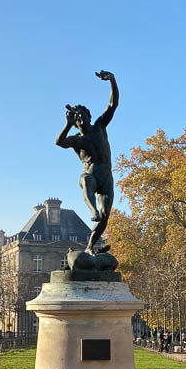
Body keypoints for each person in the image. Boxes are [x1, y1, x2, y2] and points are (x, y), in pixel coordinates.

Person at [56, 70, 118, 256]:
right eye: (77, 119)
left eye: (83, 116)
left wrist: (112, 80)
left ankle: (90, 247)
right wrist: (67, 124)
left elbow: (113, 104)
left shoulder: (100, 126)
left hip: (106, 175)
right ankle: (93, 211)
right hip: (91, 173)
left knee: (106, 215)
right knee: (85, 179)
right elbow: (59, 142)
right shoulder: (77, 140)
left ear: (89, 117)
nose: (81, 119)